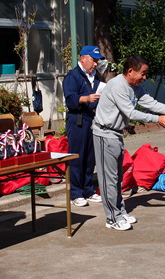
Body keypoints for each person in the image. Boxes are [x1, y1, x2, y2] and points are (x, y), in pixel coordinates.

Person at [92, 54, 165, 231]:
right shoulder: (117, 86)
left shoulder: (135, 86)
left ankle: (119, 211)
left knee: (117, 177)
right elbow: (131, 112)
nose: (144, 77)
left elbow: (151, 103)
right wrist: (156, 119)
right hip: (104, 134)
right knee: (108, 179)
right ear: (130, 71)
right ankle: (112, 218)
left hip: (116, 134)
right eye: (142, 73)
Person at [63, 45, 105, 207]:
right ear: (83, 58)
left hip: (92, 120)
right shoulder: (72, 77)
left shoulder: (96, 77)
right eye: (93, 60)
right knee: (77, 157)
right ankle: (75, 192)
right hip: (78, 120)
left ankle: (88, 190)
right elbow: (70, 99)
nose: (95, 64)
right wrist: (86, 99)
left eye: (97, 61)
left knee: (90, 157)